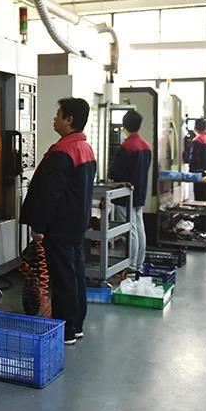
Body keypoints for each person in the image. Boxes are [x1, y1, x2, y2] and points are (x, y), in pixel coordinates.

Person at [20, 98, 96, 346]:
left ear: (69, 119)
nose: (54, 119)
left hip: (60, 225)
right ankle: (76, 324)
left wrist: (38, 226)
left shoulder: (63, 151)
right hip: (76, 223)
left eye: (58, 114)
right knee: (75, 273)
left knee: (63, 277)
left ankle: (66, 331)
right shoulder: (85, 148)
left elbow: (49, 195)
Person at [108, 109, 152, 273]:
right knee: (139, 227)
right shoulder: (146, 146)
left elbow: (115, 173)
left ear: (124, 125)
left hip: (125, 195)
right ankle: (139, 263)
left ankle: (131, 265)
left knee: (129, 230)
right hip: (140, 193)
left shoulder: (126, 147)